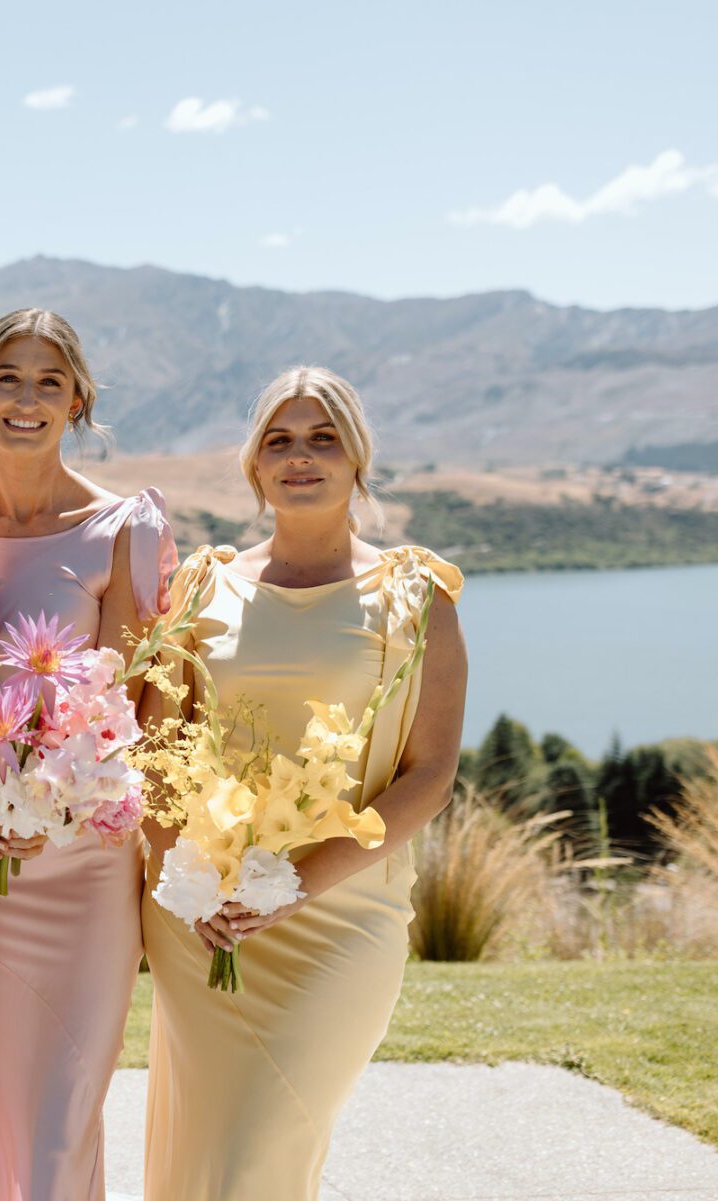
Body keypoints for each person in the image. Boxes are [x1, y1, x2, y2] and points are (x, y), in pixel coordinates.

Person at [140, 365, 467, 1201]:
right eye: (279, 441)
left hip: (343, 915)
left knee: (261, 1149)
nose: (301, 457)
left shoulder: (415, 595)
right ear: (254, 466)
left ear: (357, 459)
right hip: (205, 919)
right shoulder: (201, 588)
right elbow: (151, 750)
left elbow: (430, 773)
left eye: (323, 438)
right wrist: (191, 881)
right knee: (216, 1155)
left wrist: (296, 881)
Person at [0, 309, 177, 1201]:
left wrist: (55, 807)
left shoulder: (124, 528)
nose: (27, 398)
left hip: (83, 869)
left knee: (55, 1134)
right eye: (8, 378)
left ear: (78, 399)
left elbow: (135, 709)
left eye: (49, 382)